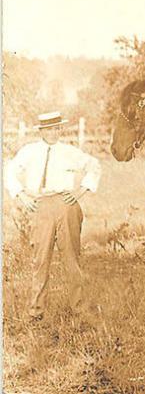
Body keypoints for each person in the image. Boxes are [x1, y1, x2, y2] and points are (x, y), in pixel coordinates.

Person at [4, 111, 102, 320]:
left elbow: (94, 165)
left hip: (66, 205)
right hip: (41, 207)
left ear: (61, 129)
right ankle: (36, 311)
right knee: (40, 260)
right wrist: (21, 195)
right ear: (41, 131)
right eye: (49, 129)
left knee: (72, 259)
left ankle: (80, 309)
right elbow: (9, 170)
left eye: (57, 128)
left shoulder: (69, 152)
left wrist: (80, 191)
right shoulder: (29, 151)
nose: (54, 132)